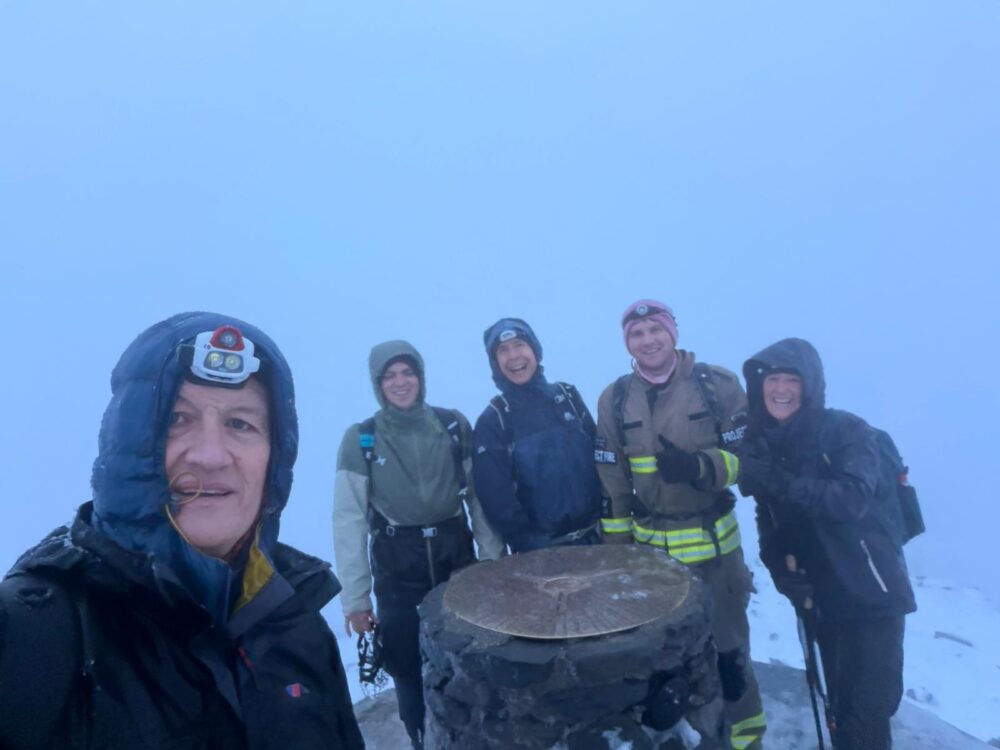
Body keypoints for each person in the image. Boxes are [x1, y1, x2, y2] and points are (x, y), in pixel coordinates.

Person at [0, 312, 364, 750]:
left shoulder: (300, 627)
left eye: (240, 424)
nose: (211, 456)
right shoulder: (29, 634)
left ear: (275, 458)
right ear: (126, 441)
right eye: (176, 419)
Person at [595, 299, 766, 750]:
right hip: (653, 565)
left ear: (673, 333)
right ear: (627, 343)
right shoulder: (614, 399)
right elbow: (613, 482)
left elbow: (750, 460)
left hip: (717, 558)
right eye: (637, 334)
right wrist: (618, 558)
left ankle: (747, 740)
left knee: (731, 658)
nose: (648, 340)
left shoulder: (717, 385)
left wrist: (700, 466)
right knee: (666, 666)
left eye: (656, 329)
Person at [738, 337, 916, 750]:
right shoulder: (765, 442)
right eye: (772, 380)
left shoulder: (847, 430)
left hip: (872, 595)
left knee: (867, 713)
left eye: (791, 380)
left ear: (811, 384)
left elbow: (850, 500)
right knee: (836, 705)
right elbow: (769, 522)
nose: (780, 389)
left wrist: (779, 481)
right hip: (821, 599)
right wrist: (783, 574)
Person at [333, 340, 503, 750]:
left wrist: (492, 561)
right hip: (397, 568)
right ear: (378, 384)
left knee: (471, 656)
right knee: (407, 667)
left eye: (408, 372)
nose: (400, 382)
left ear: (421, 377)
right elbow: (348, 519)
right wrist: (356, 599)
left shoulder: (452, 424)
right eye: (389, 376)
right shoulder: (362, 439)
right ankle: (422, 739)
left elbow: (478, 498)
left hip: (455, 557)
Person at [472, 318, 602, 553]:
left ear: (535, 351)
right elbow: (496, 499)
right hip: (542, 556)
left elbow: (600, 460)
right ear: (494, 363)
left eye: (520, 345)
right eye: (503, 350)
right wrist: (530, 543)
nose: (514, 356)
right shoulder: (494, 420)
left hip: (597, 541)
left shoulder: (568, 396)